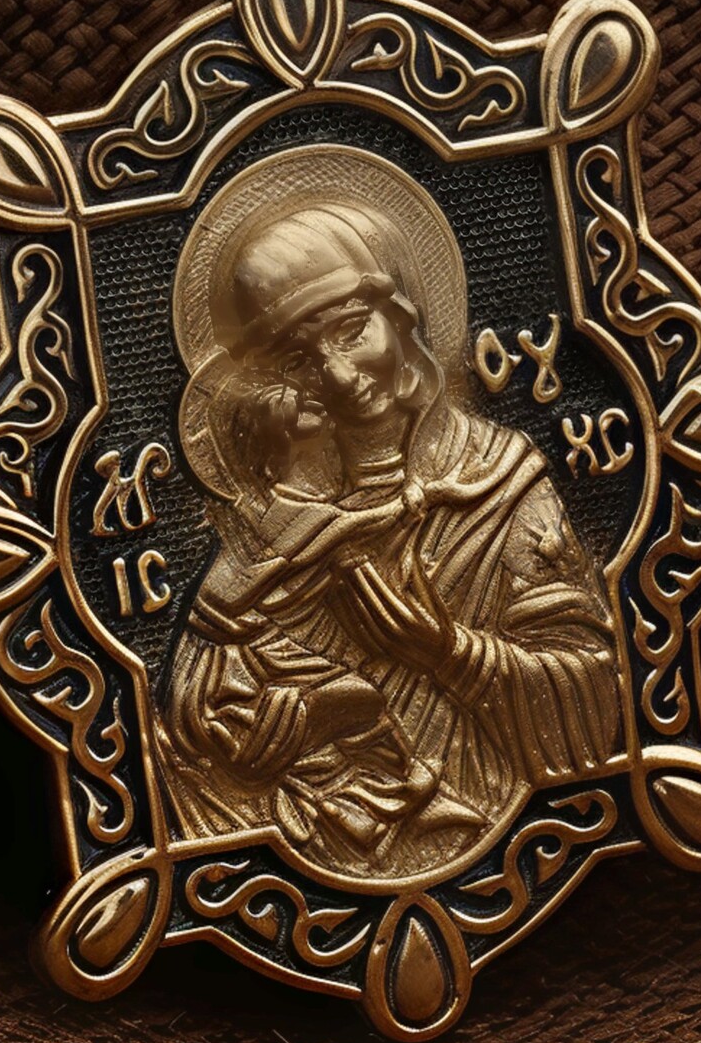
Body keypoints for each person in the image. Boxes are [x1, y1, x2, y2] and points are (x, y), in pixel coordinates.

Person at [163, 178, 621, 881]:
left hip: (512, 836)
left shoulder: (496, 482)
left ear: (404, 315)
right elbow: (191, 720)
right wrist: (256, 736)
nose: (338, 375)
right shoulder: (272, 519)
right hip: (309, 855)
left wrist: (447, 651)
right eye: (297, 360)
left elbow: (596, 706)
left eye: (352, 331)